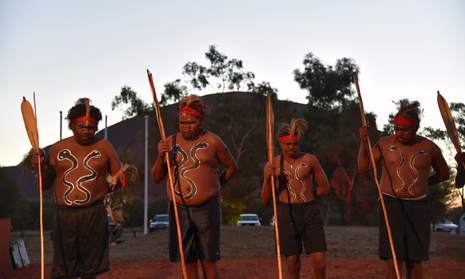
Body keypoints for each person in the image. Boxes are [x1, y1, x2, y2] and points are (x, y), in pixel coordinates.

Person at [32, 98, 124, 279]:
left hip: (94, 212)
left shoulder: (104, 147)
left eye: (91, 127)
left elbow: (119, 179)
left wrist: (101, 190)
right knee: (63, 268)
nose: (86, 131)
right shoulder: (58, 149)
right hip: (64, 214)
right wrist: (40, 167)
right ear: (72, 126)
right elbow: (44, 185)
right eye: (81, 127)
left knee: (90, 268)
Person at [358, 100, 449, 279]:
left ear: (415, 127)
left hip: (418, 207)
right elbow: (363, 168)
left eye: (404, 130)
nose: (399, 133)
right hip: (390, 204)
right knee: (393, 259)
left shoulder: (430, 148)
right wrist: (363, 142)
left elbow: (444, 174)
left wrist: (423, 184)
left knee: (415, 261)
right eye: (397, 128)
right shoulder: (384, 144)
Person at [151, 94, 238, 279]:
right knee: (187, 260)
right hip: (179, 209)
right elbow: (157, 177)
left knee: (208, 260)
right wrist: (161, 156)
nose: (185, 126)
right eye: (182, 122)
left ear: (201, 120)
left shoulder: (213, 141)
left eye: (190, 122)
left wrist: (216, 186)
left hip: (207, 208)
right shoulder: (170, 143)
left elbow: (232, 167)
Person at [261, 118, 330, 279]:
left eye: (295, 144)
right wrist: (268, 179)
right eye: (288, 144)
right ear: (280, 143)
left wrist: (308, 196)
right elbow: (265, 200)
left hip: (310, 211)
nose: (292, 147)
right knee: (292, 263)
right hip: (286, 212)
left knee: (320, 264)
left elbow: (325, 188)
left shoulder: (310, 160)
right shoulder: (273, 165)